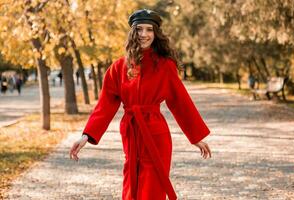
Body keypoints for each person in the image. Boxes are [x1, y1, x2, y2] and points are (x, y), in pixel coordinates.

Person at [69, 9, 211, 200]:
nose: (144, 34)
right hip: (130, 131)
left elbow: (180, 101)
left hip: (156, 133)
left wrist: (195, 136)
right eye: (139, 29)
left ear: (156, 33)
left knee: (152, 186)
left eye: (149, 30)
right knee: (131, 181)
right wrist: (86, 135)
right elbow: (105, 105)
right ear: (133, 32)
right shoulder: (119, 67)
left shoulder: (165, 65)